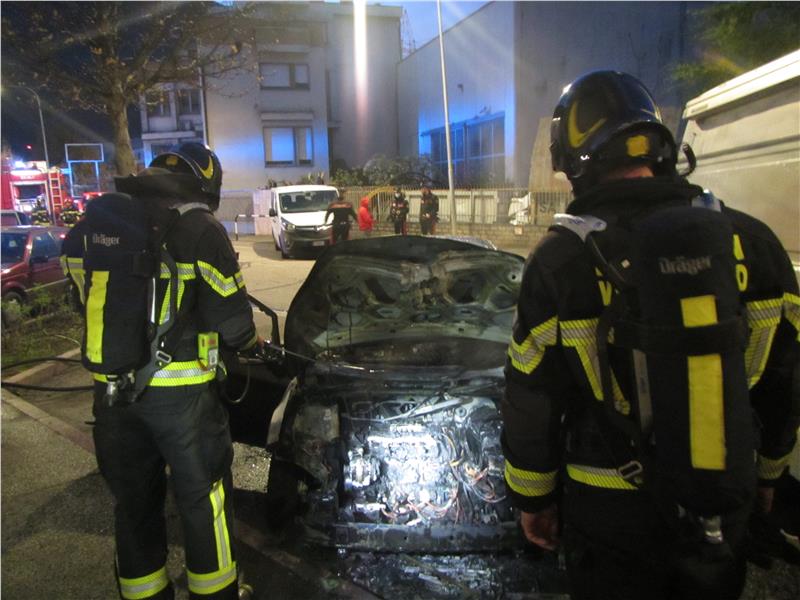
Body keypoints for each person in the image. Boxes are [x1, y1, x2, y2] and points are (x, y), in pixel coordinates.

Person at [501, 71, 799, 600]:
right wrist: (769, 473)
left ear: (574, 160)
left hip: (607, 509)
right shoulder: (752, 241)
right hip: (717, 500)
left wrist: (534, 499)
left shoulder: (560, 258)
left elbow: (532, 395)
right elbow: (784, 378)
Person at [63, 143, 262, 600]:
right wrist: (252, 347)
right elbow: (233, 324)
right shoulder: (200, 229)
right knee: (203, 499)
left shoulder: (99, 225)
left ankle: (144, 594)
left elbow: (81, 293)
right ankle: (216, 594)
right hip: (183, 402)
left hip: (112, 395)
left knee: (133, 504)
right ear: (206, 185)